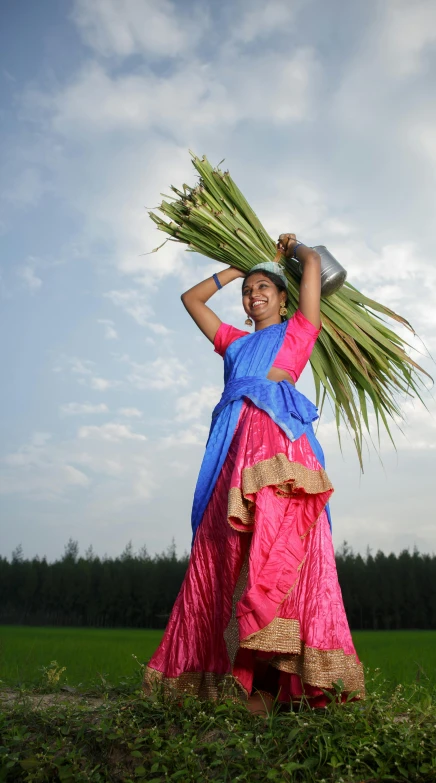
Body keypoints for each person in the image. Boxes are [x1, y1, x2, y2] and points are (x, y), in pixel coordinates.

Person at [143, 234, 364, 713]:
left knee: (279, 551)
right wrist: (235, 268)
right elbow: (191, 299)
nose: (254, 294)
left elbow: (311, 271)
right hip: (233, 453)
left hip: (280, 452)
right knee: (229, 552)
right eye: (249, 290)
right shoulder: (234, 345)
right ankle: (246, 684)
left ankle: (284, 684)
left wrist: (298, 249)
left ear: (285, 300)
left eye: (265, 288)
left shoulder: (299, 331)